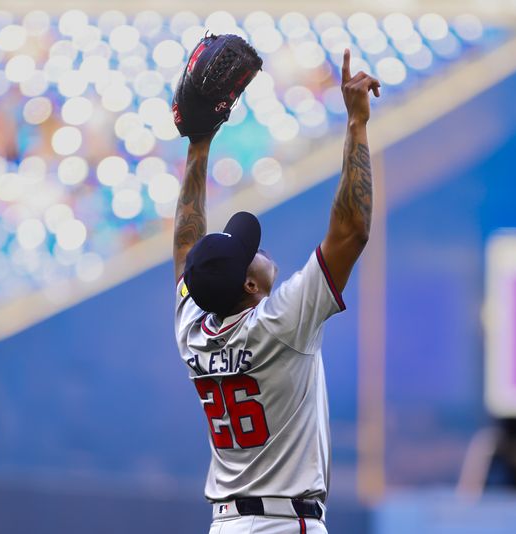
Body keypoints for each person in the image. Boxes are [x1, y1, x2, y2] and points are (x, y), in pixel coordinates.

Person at [172, 49, 380, 534]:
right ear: (248, 284)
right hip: (284, 524)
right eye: (251, 252)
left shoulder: (194, 332)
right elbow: (351, 232)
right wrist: (356, 124)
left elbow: (189, 253)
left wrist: (198, 146)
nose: (260, 251)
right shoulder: (278, 324)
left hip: (226, 524)